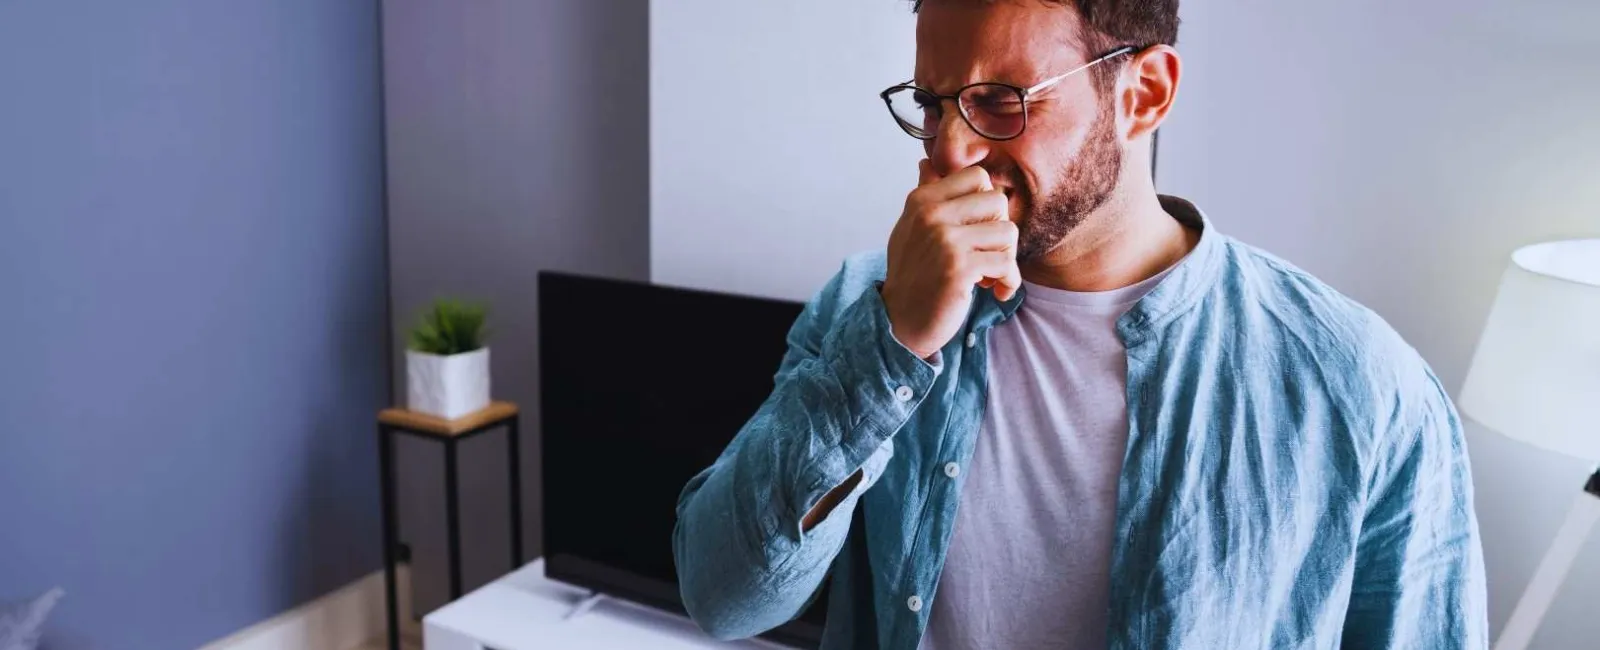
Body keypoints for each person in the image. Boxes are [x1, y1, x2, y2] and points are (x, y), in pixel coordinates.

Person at [672, 0, 1488, 648]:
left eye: (999, 101)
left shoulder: (1358, 383)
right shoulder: (871, 303)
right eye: (932, 103)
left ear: (1145, 93)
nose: (951, 150)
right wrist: (892, 345)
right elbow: (723, 597)